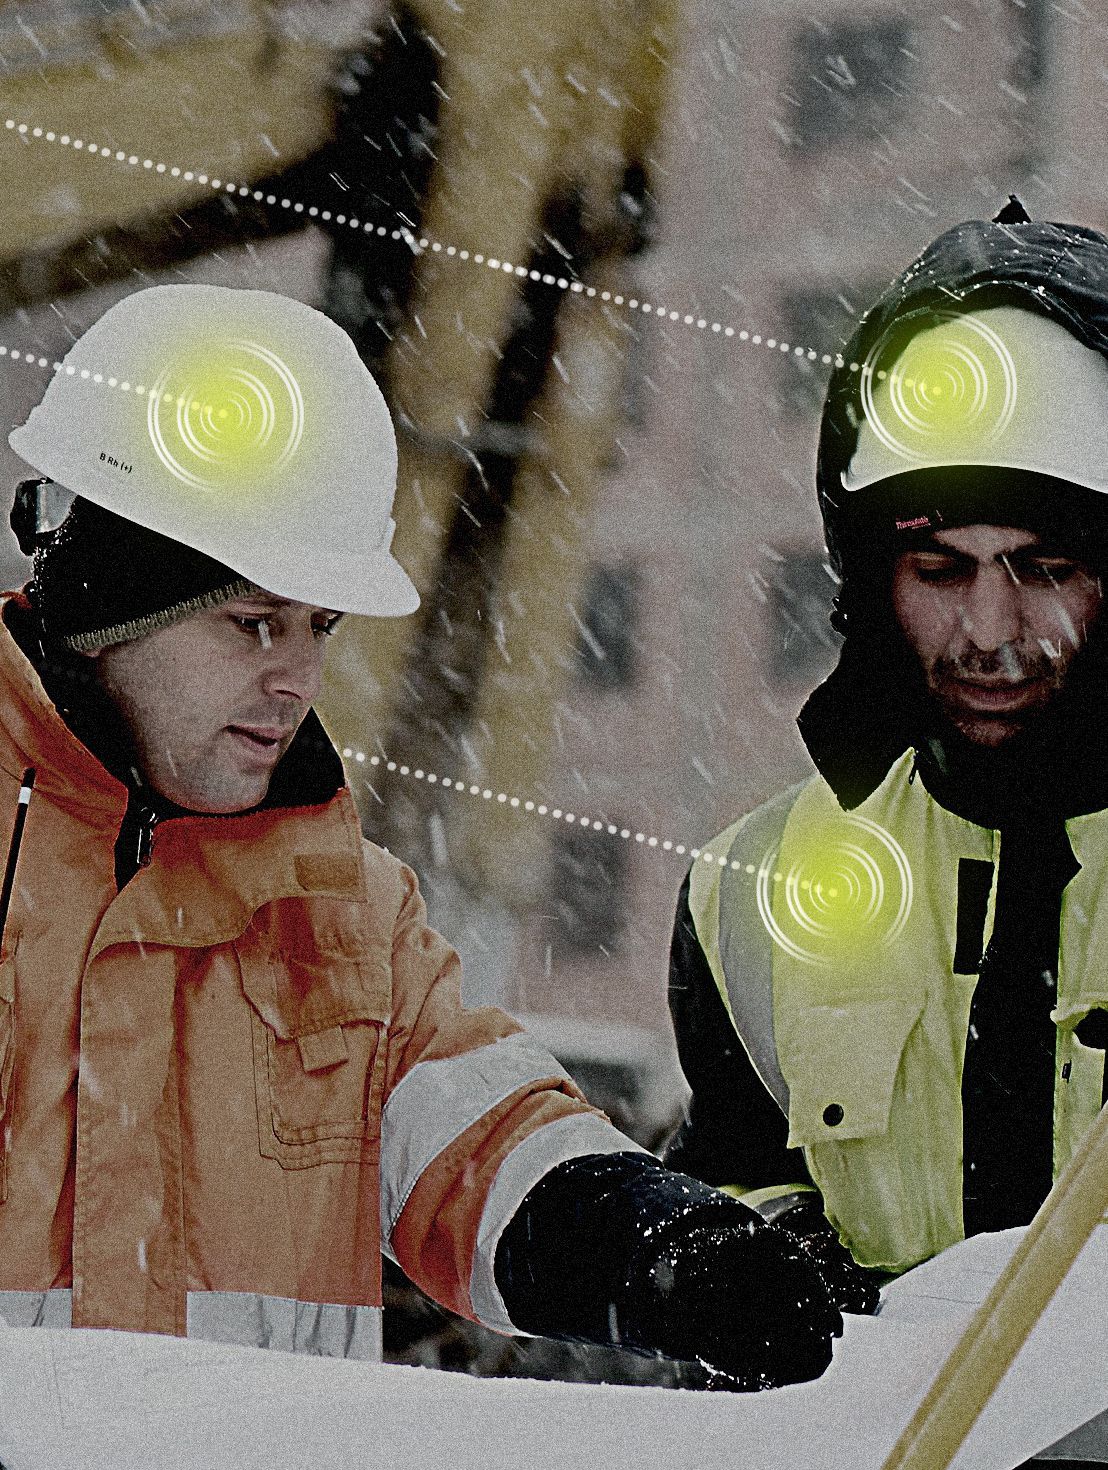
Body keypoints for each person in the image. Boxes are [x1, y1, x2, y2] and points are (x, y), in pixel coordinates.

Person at [0, 282, 869, 1392]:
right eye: (254, 621)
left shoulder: (347, 916)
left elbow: (486, 1150)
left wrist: (666, 1251)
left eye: (318, 626)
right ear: (107, 600)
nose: (298, 679)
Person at [665, 202, 1108, 1359]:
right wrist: (760, 1281)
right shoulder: (751, 894)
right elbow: (740, 1195)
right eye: (937, 569)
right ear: (870, 580)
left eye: (1044, 567)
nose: (990, 629)